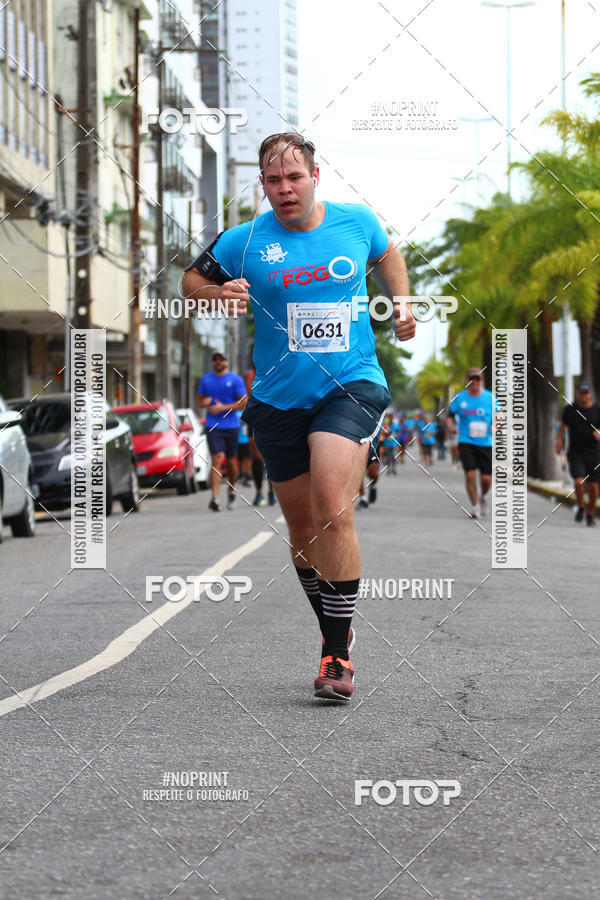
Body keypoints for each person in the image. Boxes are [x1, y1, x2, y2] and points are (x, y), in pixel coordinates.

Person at [182, 132, 415, 701]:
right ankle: (335, 629)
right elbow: (190, 281)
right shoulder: (245, 239)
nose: (284, 189)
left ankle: (336, 655)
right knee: (303, 530)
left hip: (351, 384)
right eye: (272, 180)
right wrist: (216, 294)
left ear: (316, 176)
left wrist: (402, 301)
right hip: (277, 398)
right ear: (262, 185)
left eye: (294, 177)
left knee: (333, 508)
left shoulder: (356, 221)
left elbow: (387, 254)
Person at [197, 351, 247, 512]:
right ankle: (215, 498)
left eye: (221, 359)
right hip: (213, 426)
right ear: (213, 363)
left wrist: (222, 408)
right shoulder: (206, 379)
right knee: (216, 460)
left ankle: (231, 491)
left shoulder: (235, 379)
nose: (218, 362)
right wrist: (206, 402)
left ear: (226, 361)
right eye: (215, 360)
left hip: (231, 426)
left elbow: (243, 403)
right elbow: (200, 400)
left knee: (232, 462)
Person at [446, 367, 495, 519]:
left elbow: (500, 415)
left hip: (486, 443)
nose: (474, 382)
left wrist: (495, 426)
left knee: (486, 478)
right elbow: (449, 416)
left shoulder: (490, 398)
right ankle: (475, 507)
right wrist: (451, 427)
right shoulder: (459, 398)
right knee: (470, 475)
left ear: (482, 381)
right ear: (467, 381)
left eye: (477, 379)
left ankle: (483, 496)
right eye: (471, 379)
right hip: (466, 441)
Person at [556, 381, 600, 526]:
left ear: (591, 394)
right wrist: (559, 441)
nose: (584, 396)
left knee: (594, 486)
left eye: (586, 393)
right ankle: (581, 505)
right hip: (576, 453)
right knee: (579, 481)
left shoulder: (597, 410)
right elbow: (562, 428)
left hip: (594, 453)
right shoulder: (570, 409)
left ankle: (591, 512)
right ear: (577, 394)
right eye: (581, 393)